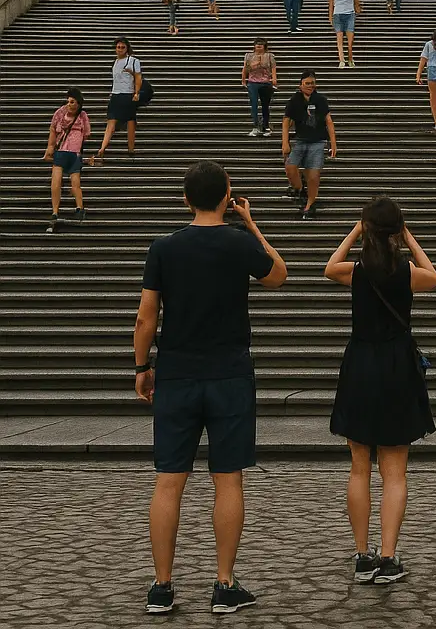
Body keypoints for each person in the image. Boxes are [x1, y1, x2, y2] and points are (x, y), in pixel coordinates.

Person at [134, 159, 287, 615]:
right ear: (227, 196)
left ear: (185, 199)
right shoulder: (237, 243)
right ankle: (224, 583)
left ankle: (162, 586)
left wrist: (142, 366)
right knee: (228, 478)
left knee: (168, 481)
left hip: (177, 372)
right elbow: (278, 275)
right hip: (230, 374)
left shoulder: (163, 247)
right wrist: (251, 223)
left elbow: (146, 316)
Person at [325, 197, 436, 585]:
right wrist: (407, 236)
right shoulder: (407, 272)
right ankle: (388, 557)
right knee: (395, 471)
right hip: (396, 367)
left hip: (360, 365)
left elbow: (328, 268)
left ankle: (362, 555)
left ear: (367, 230)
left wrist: (356, 231)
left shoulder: (355, 272)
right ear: (396, 231)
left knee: (360, 466)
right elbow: (434, 276)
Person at [282, 71, 337, 221]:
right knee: (290, 167)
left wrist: (333, 143)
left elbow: (329, 121)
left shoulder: (320, 99)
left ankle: (309, 205)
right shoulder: (295, 100)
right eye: (307, 83)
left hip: (317, 141)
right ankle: (300, 189)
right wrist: (285, 142)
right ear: (300, 85)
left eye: (312, 83)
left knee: (313, 175)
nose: (310, 86)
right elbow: (286, 121)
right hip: (300, 140)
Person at [43, 87, 91, 232]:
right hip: (61, 151)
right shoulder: (59, 113)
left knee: (75, 182)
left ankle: (79, 208)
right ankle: (55, 211)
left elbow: (87, 133)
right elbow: (52, 129)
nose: (69, 104)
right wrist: (50, 147)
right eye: (68, 101)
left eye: (72, 102)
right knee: (55, 181)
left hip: (75, 153)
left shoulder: (83, 116)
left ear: (78, 103)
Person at [92, 37, 144, 162]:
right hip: (115, 95)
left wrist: (136, 93)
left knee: (131, 121)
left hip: (128, 94)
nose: (120, 49)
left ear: (127, 49)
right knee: (111, 121)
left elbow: (138, 77)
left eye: (123, 47)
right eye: (118, 47)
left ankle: (131, 148)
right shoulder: (115, 62)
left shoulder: (133, 60)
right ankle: (102, 148)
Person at [328, 0, 361, 70]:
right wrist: (330, 15)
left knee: (350, 40)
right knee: (339, 38)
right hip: (337, 12)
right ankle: (342, 59)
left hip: (350, 12)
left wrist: (358, 8)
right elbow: (331, 0)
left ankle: (350, 58)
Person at [241, 38, 277, 137]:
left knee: (265, 105)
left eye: (261, 45)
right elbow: (245, 68)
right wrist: (243, 79)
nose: (259, 47)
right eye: (257, 45)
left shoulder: (269, 56)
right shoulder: (249, 56)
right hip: (253, 82)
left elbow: (273, 68)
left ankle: (265, 126)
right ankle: (255, 126)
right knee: (254, 104)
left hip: (265, 82)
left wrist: (274, 79)